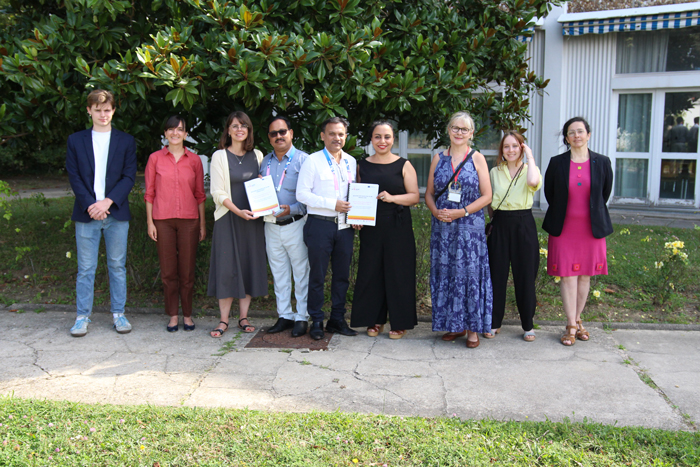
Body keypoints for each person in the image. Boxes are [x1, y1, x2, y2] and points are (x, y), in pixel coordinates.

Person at [65, 89, 137, 337]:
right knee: (86, 268)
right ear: (89, 111)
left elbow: (129, 177)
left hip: (116, 213)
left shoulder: (126, 141)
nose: (103, 114)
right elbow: (74, 177)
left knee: (117, 266)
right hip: (87, 214)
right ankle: (82, 317)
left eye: (107, 110)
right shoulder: (76, 140)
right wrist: (91, 205)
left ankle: (119, 314)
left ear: (113, 110)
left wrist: (106, 202)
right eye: (98, 110)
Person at [542, 117, 613, 346]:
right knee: (568, 275)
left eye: (580, 131)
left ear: (588, 135)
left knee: (585, 275)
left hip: (591, 228)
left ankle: (577, 319)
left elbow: (604, 194)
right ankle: (572, 324)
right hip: (564, 227)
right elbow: (550, 194)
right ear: (566, 138)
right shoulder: (557, 163)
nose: (576, 136)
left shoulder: (602, 162)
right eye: (571, 132)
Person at [425, 111, 493, 349]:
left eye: (464, 129)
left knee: (470, 275)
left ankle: (473, 328)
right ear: (448, 130)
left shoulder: (477, 158)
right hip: (443, 229)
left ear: (471, 133)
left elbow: (487, 196)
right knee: (448, 274)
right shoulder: (438, 158)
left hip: (469, 228)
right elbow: (429, 193)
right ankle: (455, 325)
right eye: (455, 128)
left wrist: (461, 211)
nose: (459, 132)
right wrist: (435, 211)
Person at [350, 121, 419, 339]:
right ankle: (374, 320)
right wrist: (357, 218)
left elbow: (415, 197)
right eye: (378, 136)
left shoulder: (404, 164)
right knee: (371, 272)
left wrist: (391, 198)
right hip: (371, 227)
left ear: (393, 139)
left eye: (387, 137)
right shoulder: (362, 165)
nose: (382, 141)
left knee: (399, 273)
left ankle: (399, 323)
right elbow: (358, 194)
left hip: (398, 226)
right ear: (371, 139)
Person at [296, 116, 359, 340]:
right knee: (318, 276)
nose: (337, 138)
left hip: (345, 227)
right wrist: (332, 204)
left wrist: (358, 215)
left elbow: (356, 193)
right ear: (323, 136)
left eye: (341, 134)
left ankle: (337, 320)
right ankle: (316, 321)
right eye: (332, 133)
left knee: (342, 276)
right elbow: (301, 194)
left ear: (346, 136)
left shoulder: (351, 161)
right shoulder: (312, 161)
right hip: (319, 225)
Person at [207, 111, 267, 337]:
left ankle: (243, 317)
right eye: (234, 126)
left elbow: (263, 186)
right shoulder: (219, 156)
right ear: (228, 130)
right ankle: (223, 320)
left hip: (252, 220)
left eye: (244, 126)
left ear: (249, 130)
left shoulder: (258, 155)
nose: (239, 129)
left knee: (248, 266)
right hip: (228, 218)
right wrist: (237, 211)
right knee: (226, 268)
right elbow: (217, 192)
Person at [144, 116, 206, 332]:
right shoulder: (155, 159)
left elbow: (200, 194)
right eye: (171, 129)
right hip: (163, 221)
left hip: (190, 220)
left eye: (179, 130)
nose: (175, 133)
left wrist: (202, 224)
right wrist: (150, 222)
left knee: (187, 271)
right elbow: (149, 193)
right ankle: (172, 315)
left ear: (186, 134)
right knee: (169, 271)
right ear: (165, 133)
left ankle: (187, 315)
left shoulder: (195, 160)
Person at [486, 131, 542, 342]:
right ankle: (494, 322)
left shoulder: (531, 169)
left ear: (521, 148)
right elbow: (491, 203)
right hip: (500, 224)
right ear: (502, 150)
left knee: (525, 276)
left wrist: (530, 157)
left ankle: (528, 325)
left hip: (523, 224)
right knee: (496, 276)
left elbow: (533, 182)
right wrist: (495, 222)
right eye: (506, 147)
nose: (510, 150)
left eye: (515, 146)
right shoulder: (494, 172)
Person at [261, 116, 311, 338]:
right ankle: (284, 315)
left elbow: (311, 198)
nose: (278, 136)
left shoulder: (304, 161)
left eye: (282, 132)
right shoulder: (265, 162)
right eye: (274, 133)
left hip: (296, 223)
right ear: (269, 138)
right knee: (279, 272)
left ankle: (302, 317)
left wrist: (291, 209)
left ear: (291, 133)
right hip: (271, 225)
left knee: (301, 272)